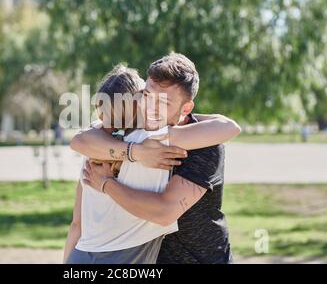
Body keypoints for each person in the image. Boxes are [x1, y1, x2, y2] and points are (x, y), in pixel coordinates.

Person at [65, 56, 240, 263]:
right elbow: (80, 139)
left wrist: (106, 183)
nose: (149, 107)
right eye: (146, 95)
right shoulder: (126, 137)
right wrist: (135, 152)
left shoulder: (204, 143)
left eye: (163, 101)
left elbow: (164, 212)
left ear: (185, 108)